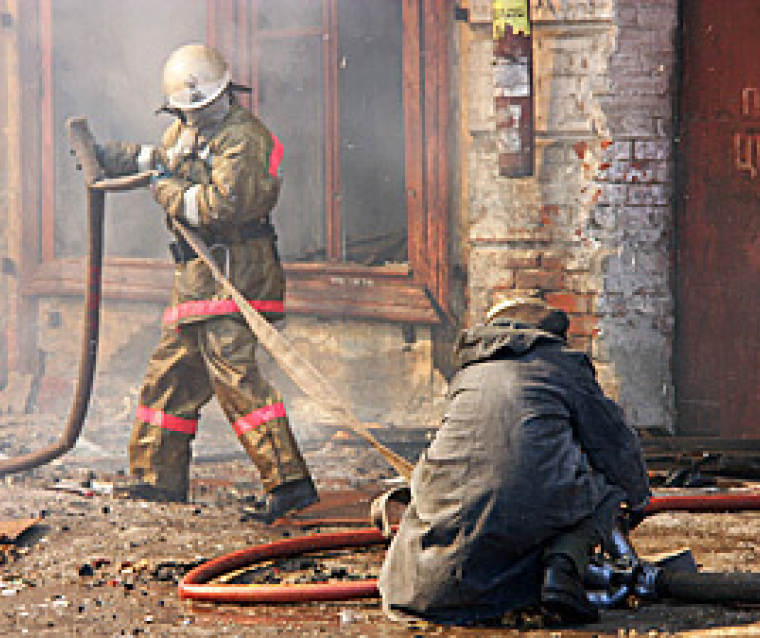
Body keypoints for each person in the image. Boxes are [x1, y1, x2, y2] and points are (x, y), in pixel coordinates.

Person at [95, 44, 318, 523]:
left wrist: (161, 188)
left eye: (204, 107)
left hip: (237, 271)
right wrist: (117, 157)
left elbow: (218, 207)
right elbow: (165, 158)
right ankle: (157, 477)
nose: (197, 116)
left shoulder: (245, 139)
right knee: (170, 375)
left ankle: (290, 483)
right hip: (198, 277)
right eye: (187, 110)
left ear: (226, 93)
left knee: (234, 376)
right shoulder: (185, 130)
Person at [378, 298, 650, 625]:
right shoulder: (564, 365)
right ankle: (561, 571)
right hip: (525, 519)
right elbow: (615, 445)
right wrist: (634, 503)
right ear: (552, 336)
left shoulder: (469, 372)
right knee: (607, 489)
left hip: (417, 587)